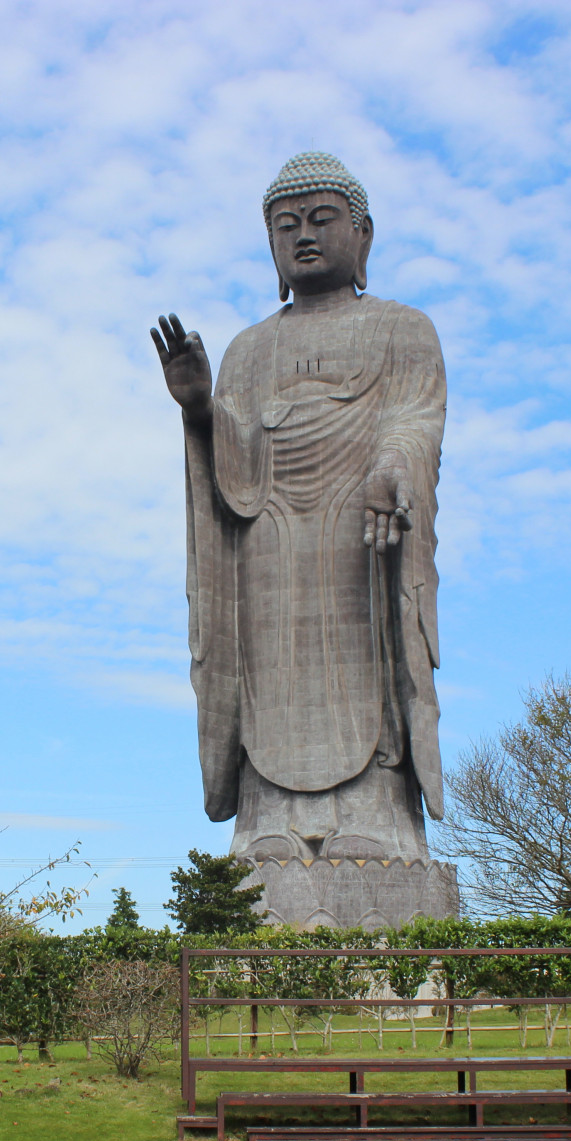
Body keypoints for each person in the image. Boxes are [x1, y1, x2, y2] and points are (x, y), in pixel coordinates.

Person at [154, 152, 446, 864]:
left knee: (367, 666)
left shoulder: (404, 331)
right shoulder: (249, 350)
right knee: (266, 673)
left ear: (364, 236)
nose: (305, 237)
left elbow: (414, 419)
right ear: (271, 247)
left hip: (361, 535)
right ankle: (265, 823)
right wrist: (198, 409)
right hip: (269, 546)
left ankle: (377, 820)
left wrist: (390, 468)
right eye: (286, 226)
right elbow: (234, 466)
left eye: (322, 220)